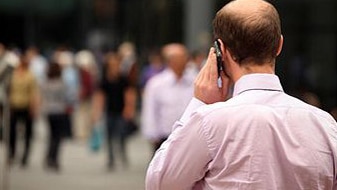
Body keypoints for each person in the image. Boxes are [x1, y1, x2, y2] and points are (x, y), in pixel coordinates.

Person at [145, 0, 337, 189]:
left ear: (221, 50)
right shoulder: (325, 125)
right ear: (279, 45)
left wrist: (199, 103)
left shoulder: (210, 121)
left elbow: (159, 183)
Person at [141, 43, 195, 155]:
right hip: (165, 135)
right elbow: (150, 110)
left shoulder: (194, 80)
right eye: (179, 58)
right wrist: (152, 133)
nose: (184, 61)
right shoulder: (156, 83)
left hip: (190, 136)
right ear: (170, 61)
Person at [92, 52, 137, 170]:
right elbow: (100, 97)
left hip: (121, 111)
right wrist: (97, 112)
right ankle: (111, 159)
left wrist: (129, 108)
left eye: (116, 64)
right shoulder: (104, 80)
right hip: (109, 111)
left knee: (122, 135)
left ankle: (123, 155)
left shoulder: (123, 79)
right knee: (109, 136)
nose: (114, 66)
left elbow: (129, 94)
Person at [8, 54, 38, 167]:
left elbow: (34, 93)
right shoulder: (13, 75)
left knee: (28, 133)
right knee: (12, 131)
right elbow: (8, 90)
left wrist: (33, 107)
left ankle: (25, 156)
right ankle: (12, 153)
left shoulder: (30, 76)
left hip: (26, 106)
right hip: (14, 106)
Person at [40, 63, 68, 171]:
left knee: (51, 135)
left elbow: (42, 96)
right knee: (58, 136)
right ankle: (54, 158)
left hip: (48, 111)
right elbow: (66, 97)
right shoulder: (61, 83)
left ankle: (49, 157)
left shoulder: (45, 83)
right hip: (59, 111)